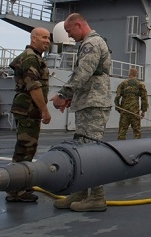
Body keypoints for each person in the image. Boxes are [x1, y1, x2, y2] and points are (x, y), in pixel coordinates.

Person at [51, 13, 112, 212]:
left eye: (69, 31)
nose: (69, 36)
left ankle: (97, 197)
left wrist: (63, 94)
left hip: (93, 105)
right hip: (88, 103)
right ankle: (80, 192)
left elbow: (83, 73)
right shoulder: (90, 43)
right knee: (83, 150)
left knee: (92, 151)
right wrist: (71, 98)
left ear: (78, 25)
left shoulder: (91, 44)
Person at [6, 27, 52, 202]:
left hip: (27, 110)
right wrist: (44, 110)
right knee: (25, 149)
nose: (47, 41)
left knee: (27, 148)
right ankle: (16, 189)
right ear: (34, 39)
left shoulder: (34, 57)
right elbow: (33, 86)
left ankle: (21, 183)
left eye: (48, 38)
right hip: (27, 110)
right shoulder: (31, 58)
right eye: (43, 38)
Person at [115, 68, 148, 140]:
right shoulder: (140, 84)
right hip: (135, 112)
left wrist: (118, 107)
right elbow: (144, 98)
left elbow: (117, 96)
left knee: (122, 132)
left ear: (129, 73)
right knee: (137, 132)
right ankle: (136, 148)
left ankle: (120, 147)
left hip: (124, 111)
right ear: (136, 74)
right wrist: (143, 111)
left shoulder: (123, 84)